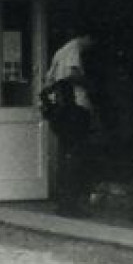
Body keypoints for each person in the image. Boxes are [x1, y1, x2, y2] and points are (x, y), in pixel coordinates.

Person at [41, 32, 95, 217]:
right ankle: (71, 203)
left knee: (66, 155)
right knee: (74, 156)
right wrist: (90, 83)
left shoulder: (59, 52)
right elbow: (73, 74)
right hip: (75, 109)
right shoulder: (74, 50)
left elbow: (48, 78)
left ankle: (64, 201)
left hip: (62, 113)